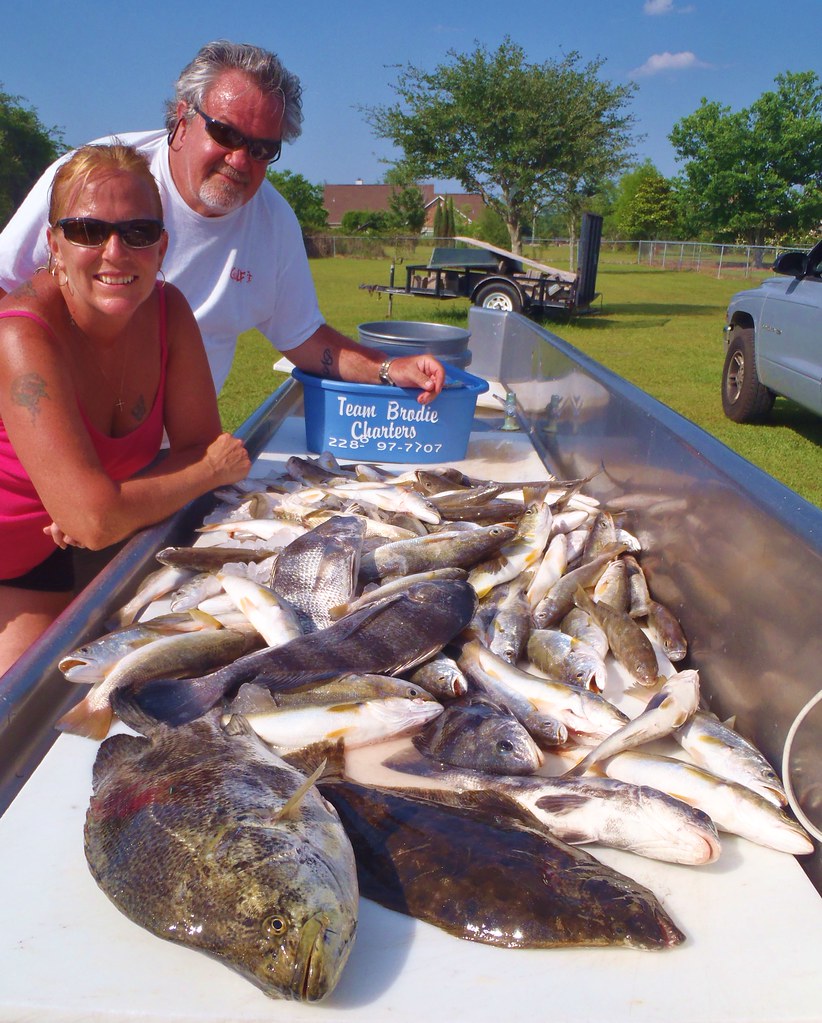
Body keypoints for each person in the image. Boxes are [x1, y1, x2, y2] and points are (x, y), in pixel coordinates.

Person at [0, 39, 445, 404]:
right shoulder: (93, 179)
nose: (239, 159)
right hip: (63, 439)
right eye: (226, 134)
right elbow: (5, 283)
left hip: (179, 451)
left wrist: (387, 368)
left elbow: (303, 336)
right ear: (182, 117)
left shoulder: (273, 222)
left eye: (261, 149)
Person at [0, 142, 252, 676]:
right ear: (54, 245)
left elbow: (192, 446)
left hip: (60, 552)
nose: (115, 251)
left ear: (160, 248)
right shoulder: (20, 335)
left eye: (138, 232)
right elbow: (98, 517)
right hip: (10, 562)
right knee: (24, 719)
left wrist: (112, 505)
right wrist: (204, 472)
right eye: (89, 231)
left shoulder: (169, 310)